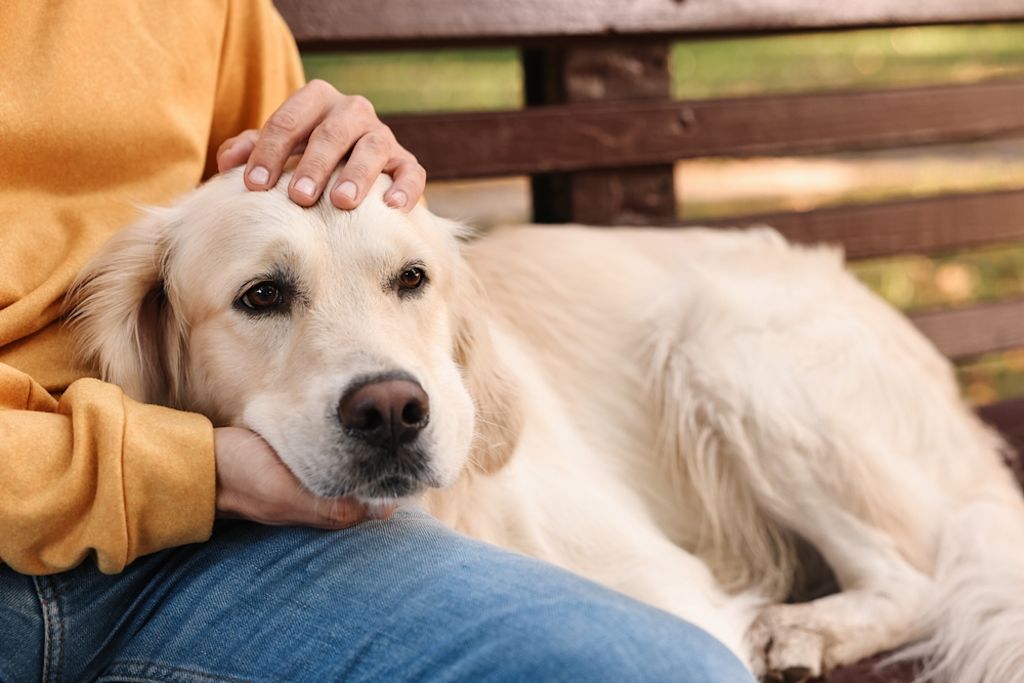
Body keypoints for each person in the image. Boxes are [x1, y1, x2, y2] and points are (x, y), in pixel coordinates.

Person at [0, 2, 754, 681]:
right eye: (265, 296)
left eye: (408, 281)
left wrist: (339, 148)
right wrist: (187, 471)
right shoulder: (142, 333)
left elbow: (278, 188)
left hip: (206, 547)